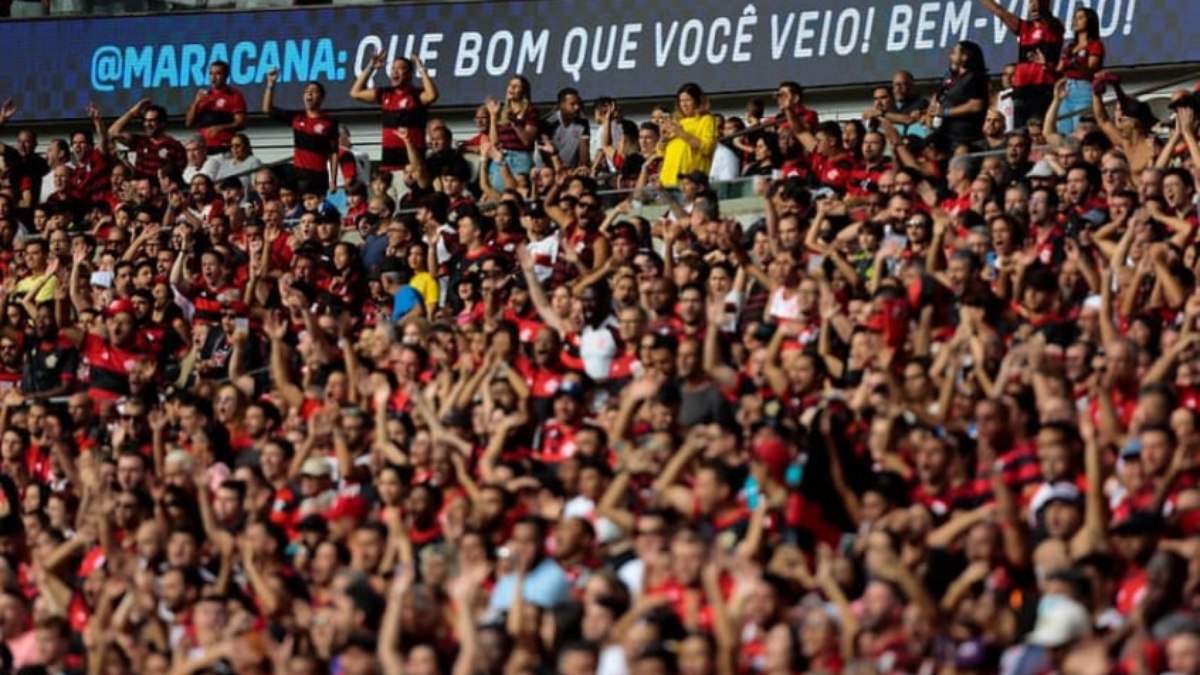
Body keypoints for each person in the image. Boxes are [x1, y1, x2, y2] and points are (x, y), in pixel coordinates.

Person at [348, 52, 438, 173]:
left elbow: (432, 95)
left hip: (412, 166)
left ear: (410, 74)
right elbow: (355, 92)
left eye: (400, 68)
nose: (395, 72)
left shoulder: (416, 95)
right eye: (393, 69)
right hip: (389, 164)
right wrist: (371, 67)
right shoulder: (385, 93)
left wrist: (421, 69)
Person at [262, 70, 338, 196]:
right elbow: (267, 109)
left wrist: (333, 180)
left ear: (321, 97)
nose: (309, 94)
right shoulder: (297, 117)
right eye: (307, 92)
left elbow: (333, 153)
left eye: (313, 92)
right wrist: (270, 84)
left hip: (318, 175)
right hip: (299, 174)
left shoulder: (329, 122)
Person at [106, 98, 186, 181]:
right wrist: (132, 112)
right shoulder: (139, 141)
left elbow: (180, 174)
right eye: (145, 121)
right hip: (139, 189)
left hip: (161, 191)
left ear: (162, 123)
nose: (148, 124)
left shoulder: (175, 146)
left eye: (152, 121)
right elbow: (111, 133)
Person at [659, 82, 717, 189]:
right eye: (681, 101)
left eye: (688, 100)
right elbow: (661, 153)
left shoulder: (706, 120)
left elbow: (707, 147)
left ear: (697, 101)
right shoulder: (677, 121)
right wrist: (663, 138)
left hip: (689, 182)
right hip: (668, 179)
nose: (684, 105)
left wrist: (681, 133)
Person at [1056, 7, 1104, 134]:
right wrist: (1044, 63)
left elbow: (1091, 70)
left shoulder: (1095, 45)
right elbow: (1059, 69)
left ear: (1090, 21)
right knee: (1063, 130)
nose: (1075, 21)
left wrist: (1074, 63)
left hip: (1083, 88)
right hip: (1066, 89)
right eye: (1074, 18)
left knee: (1083, 129)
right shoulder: (1069, 46)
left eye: (1080, 17)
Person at [184, 60, 247, 155]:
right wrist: (196, 102)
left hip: (223, 148)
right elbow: (188, 123)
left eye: (217, 74)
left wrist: (219, 128)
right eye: (211, 74)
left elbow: (241, 123)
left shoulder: (234, 95)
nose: (213, 77)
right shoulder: (204, 96)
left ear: (226, 76)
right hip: (203, 149)